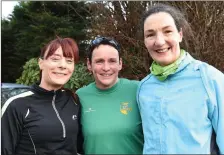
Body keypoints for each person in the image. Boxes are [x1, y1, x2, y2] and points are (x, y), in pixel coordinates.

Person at [137, 3, 224, 154]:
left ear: (180, 35)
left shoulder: (210, 79)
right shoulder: (144, 88)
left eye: (167, 31)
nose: (159, 41)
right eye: (150, 34)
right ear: (145, 41)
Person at [1, 37, 83, 155]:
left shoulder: (73, 101)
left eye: (69, 61)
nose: (63, 65)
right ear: (41, 63)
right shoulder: (17, 105)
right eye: (55, 59)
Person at [76, 37, 144, 154]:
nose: (106, 68)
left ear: (120, 64)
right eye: (99, 61)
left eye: (112, 61)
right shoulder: (80, 97)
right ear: (89, 64)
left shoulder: (139, 90)